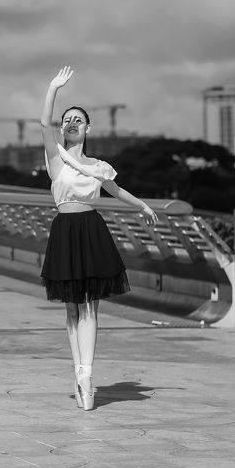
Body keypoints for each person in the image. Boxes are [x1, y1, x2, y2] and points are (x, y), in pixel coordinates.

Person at [39, 66, 158, 411]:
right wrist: (53, 88)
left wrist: (143, 206)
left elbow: (117, 191)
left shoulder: (100, 167)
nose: (72, 123)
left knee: (90, 305)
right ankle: (78, 373)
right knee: (72, 307)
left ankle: (87, 378)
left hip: (91, 231)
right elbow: (43, 123)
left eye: (78, 119)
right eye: (67, 119)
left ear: (88, 128)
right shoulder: (55, 159)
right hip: (64, 231)